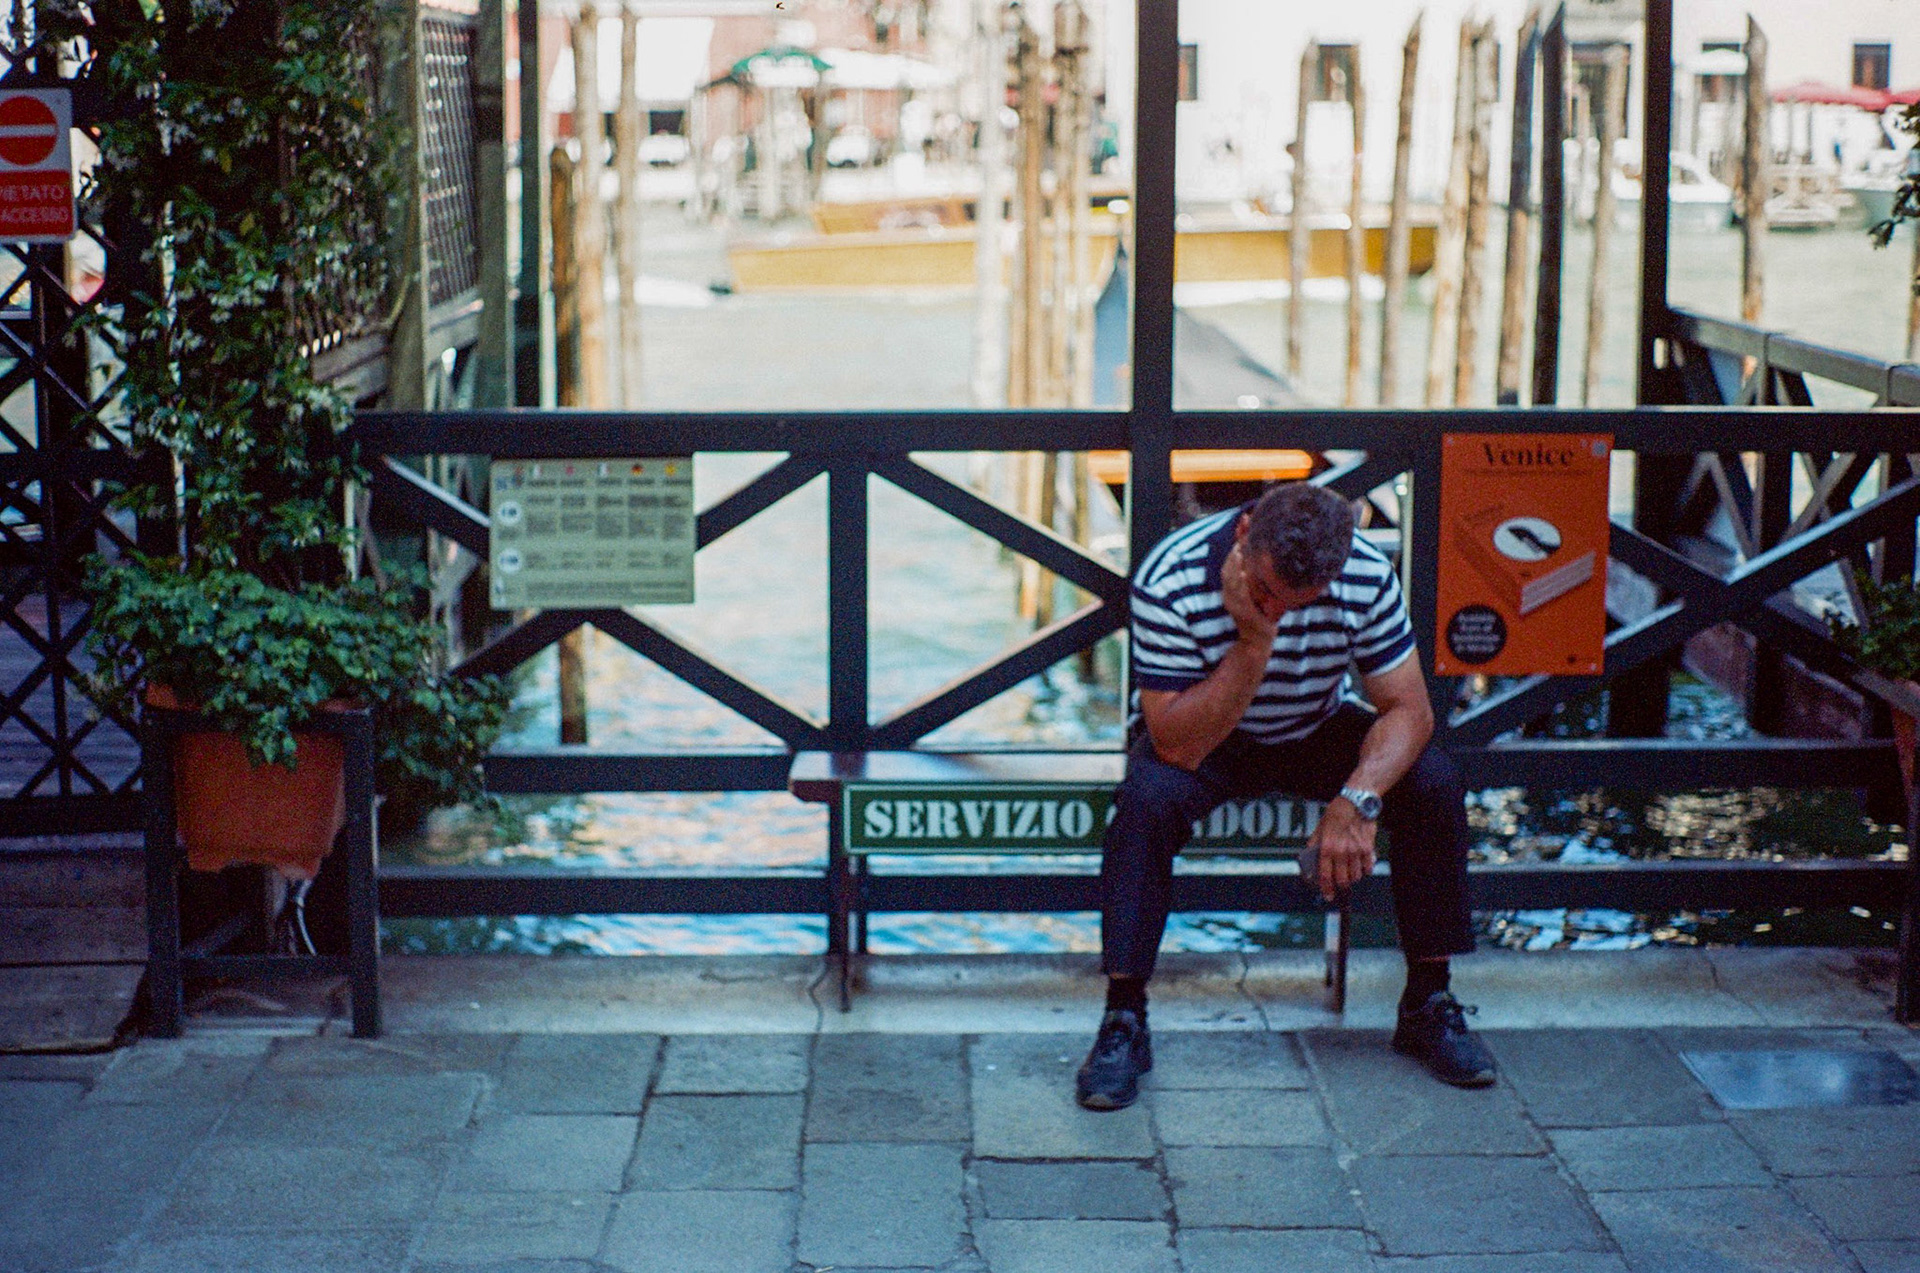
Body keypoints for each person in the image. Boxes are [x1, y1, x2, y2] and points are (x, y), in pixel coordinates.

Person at [1075, 481, 1494, 1110]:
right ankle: (1124, 1017)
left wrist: (1356, 801)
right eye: (1265, 591)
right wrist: (1254, 643)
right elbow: (1176, 745)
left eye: (1300, 603)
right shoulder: (1171, 577)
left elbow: (1409, 710)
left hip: (1312, 724)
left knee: (1433, 782)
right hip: (1202, 734)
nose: (1276, 610)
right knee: (1145, 802)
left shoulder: (1363, 572)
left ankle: (1428, 1000)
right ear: (1245, 533)